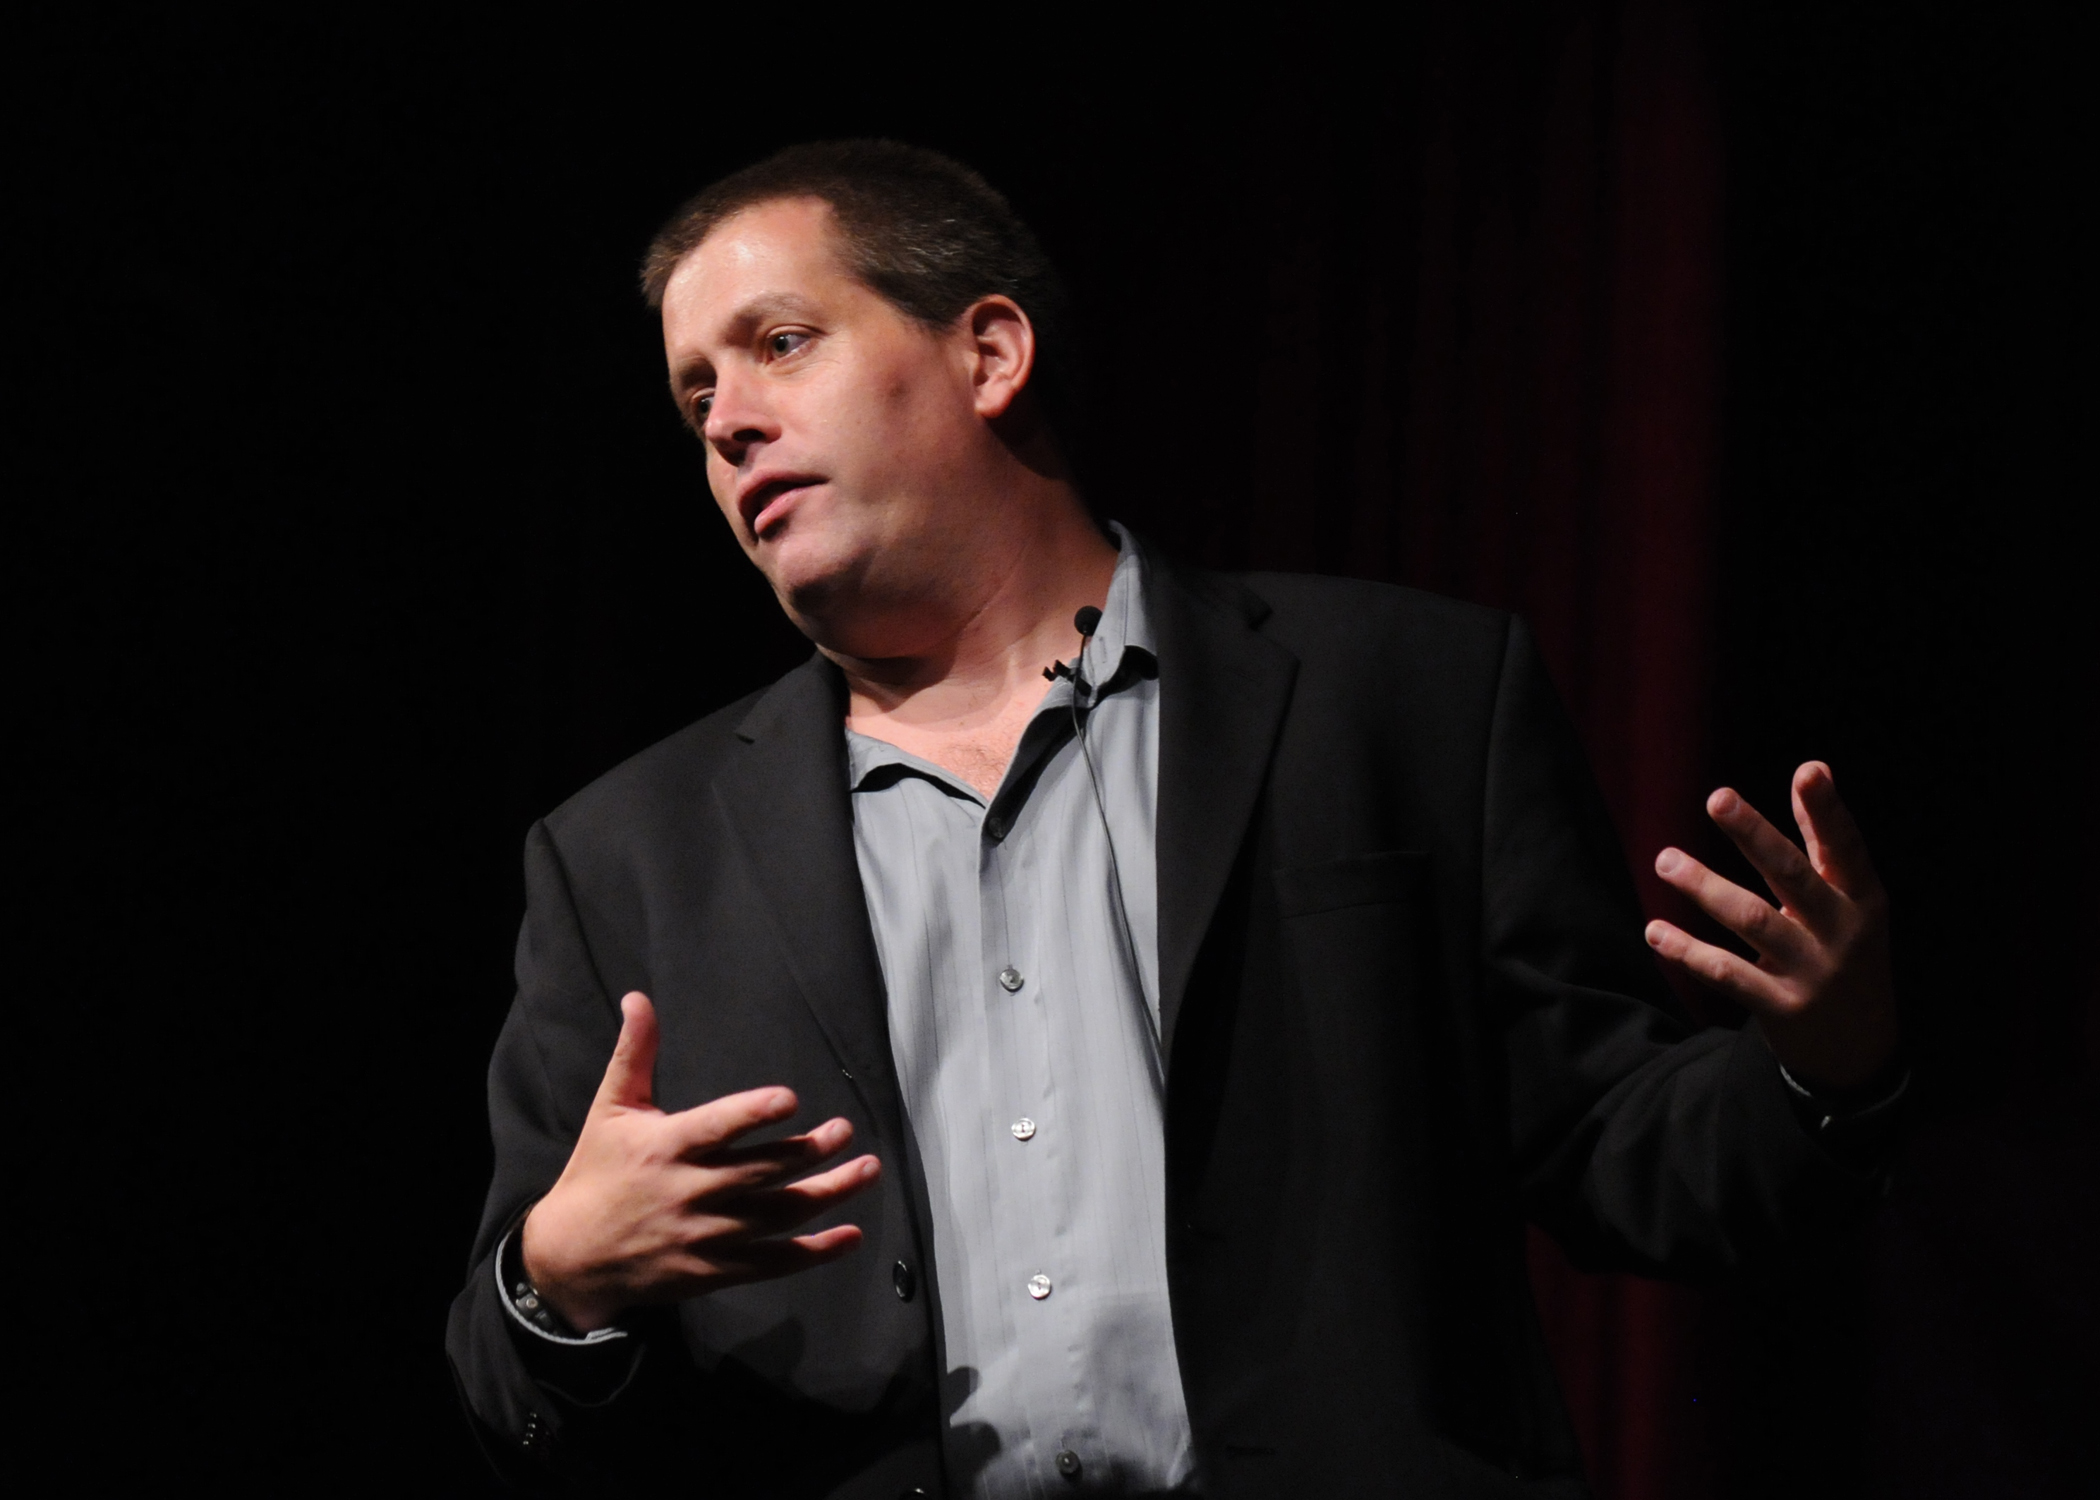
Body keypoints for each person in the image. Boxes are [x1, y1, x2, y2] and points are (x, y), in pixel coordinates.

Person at [445, 140, 1906, 1498]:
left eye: (781, 343)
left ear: (990, 353)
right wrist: (560, 1279)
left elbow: (1617, 1151)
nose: (733, 422)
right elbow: (504, 1375)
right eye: (698, 399)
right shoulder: (628, 854)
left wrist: (1822, 1069)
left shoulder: (1398, 698)